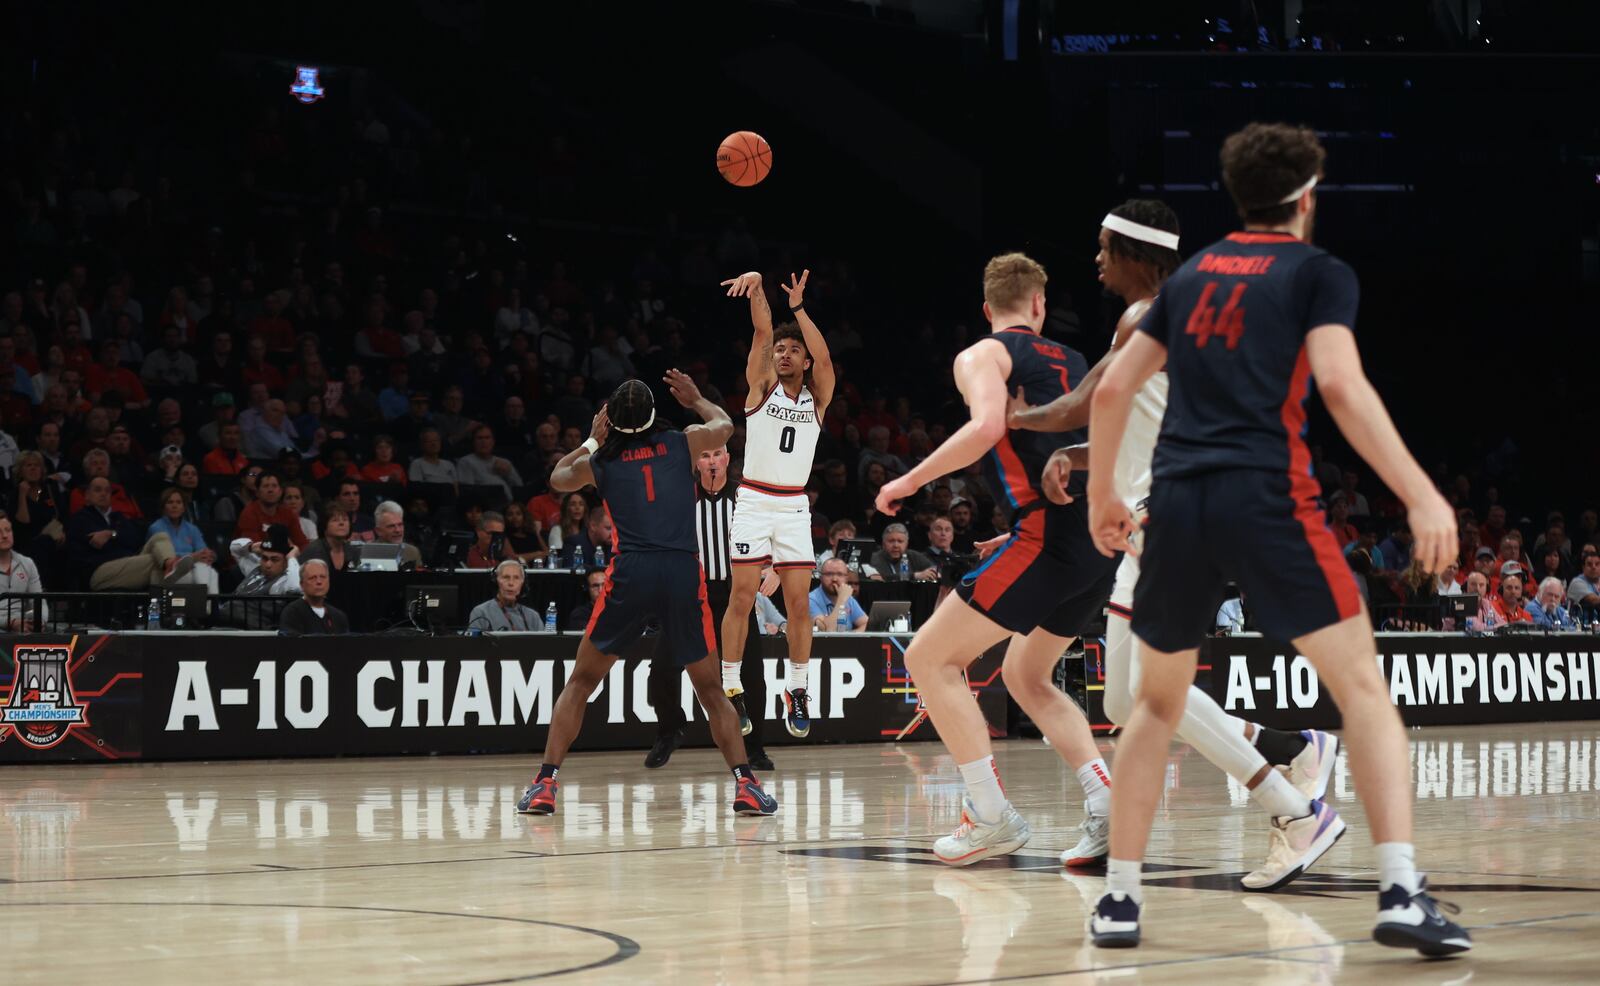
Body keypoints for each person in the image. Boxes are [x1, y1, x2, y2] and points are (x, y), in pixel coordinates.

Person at [1082, 123, 1468, 954]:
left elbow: (1112, 390)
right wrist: (1420, 492)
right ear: (1308, 195)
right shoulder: (1316, 271)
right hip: (1267, 496)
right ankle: (1400, 890)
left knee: (1149, 706)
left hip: (1177, 504)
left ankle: (1120, 902)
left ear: (1238, 195)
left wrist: (1101, 497)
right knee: (1363, 689)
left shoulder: (1192, 278)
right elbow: (1338, 381)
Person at [1009, 200, 1339, 877]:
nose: (1096, 257)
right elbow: (1142, 421)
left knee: (1142, 697)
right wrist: (1076, 456)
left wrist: (1014, 419)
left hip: (1165, 518)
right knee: (1126, 699)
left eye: (1105, 246)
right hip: (1186, 510)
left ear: (1134, 255)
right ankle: (1289, 751)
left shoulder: (1143, 316)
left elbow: (1087, 402)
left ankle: (1295, 811)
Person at [872, 252, 1118, 872]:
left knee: (927, 657)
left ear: (987, 310)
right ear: (1039, 304)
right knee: (1028, 677)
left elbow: (986, 428)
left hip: (1047, 539)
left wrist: (910, 479)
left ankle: (989, 816)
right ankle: (1106, 804)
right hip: (1092, 541)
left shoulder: (983, 353)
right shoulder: (1079, 361)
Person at [516, 372, 777, 819]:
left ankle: (544, 783)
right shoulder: (683, 443)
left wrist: (591, 442)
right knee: (711, 690)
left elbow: (557, 478)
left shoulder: (603, 462)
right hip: (679, 570)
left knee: (580, 683)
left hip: (632, 572)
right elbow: (725, 426)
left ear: (611, 422)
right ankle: (746, 785)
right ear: (656, 415)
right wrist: (696, 398)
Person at [719, 269, 835, 739]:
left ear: (804, 362)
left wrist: (800, 309)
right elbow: (763, 330)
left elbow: (825, 356)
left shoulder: (818, 399)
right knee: (743, 598)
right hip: (753, 498)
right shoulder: (761, 387)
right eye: (781, 351)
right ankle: (732, 689)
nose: (785, 354)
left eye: (793, 351)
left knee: (797, 607)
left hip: (792, 507)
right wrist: (759, 286)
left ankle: (798, 690)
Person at [644, 442, 773, 771]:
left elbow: (773, 535)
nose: (712, 461)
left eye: (718, 454)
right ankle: (670, 729)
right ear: (696, 463)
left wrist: (775, 568)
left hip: (735, 598)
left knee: (752, 674)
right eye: (705, 455)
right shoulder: (679, 498)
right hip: (689, 598)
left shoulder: (746, 498)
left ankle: (754, 748)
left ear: (728, 460)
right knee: (660, 670)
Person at [68, 477, 193, 590]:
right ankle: (169, 576)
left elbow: (136, 539)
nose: (103, 494)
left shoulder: (117, 517)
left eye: (107, 491)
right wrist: (119, 538)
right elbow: (103, 546)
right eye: (98, 490)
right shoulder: (81, 518)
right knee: (155, 561)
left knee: (160, 536)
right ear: (87, 496)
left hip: (128, 563)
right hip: (98, 571)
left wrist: (111, 534)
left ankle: (169, 563)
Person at [148, 487, 218, 593]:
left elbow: (203, 551)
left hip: (192, 568)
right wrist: (192, 556)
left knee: (208, 570)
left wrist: (207, 555)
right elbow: (166, 556)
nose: (174, 506)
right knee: (209, 574)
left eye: (178, 502)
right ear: (163, 507)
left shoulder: (192, 528)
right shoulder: (156, 527)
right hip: (167, 571)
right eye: (170, 502)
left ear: (184, 507)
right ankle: (210, 606)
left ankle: (208, 605)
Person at [235, 471, 310, 548]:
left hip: (282, 556)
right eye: (265, 486)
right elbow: (254, 547)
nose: (270, 490)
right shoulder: (249, 513)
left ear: (280, 492)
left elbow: (301, 543)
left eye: (274, 486)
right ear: (257, 492)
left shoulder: (288, 513)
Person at [0, 514, 48, 631]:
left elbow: (39, 601)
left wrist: (39, 621)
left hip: (23, 625)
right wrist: (10, 622)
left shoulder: (27, 563)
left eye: (8, 530)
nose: (5, 535)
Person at [278, 559, 350, 635]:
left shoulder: (339, 616)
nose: (319, 582)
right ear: (302, 584)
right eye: (312, 578)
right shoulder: (292, 613)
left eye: (323, 577)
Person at [468, 559, 542, 631]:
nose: (511, 583)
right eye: (506, 577)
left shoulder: (533, 616)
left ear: (522, 583)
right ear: (496, 581)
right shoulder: (481, 613)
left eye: (516, 578)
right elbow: (473, 643)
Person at [809, 559, 868, 631]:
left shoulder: (848, 599)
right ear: (821, 578)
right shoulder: (811, 600)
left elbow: (867, 624)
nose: (834, 579)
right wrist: (841, 601)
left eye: (840, 574)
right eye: (829, 574)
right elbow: (827, 631)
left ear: (846, 579)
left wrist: (850, 637)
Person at [870, 523, 937, 581]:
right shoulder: (874, 558)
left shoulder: (913, 556)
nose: (896, 545)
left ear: (906, 544)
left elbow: (933, 569)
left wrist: (934, 573)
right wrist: (914, 576)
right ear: (883, 543)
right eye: (891, 541)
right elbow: (883, 578)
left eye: (900, 541)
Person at [369, 500, 423, 567]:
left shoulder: (413, 552)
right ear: (378, 531)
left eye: (400, 525)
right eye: (391, 526)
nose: (398, 530)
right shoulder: (368, 553)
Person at [301, 507, 355, 573]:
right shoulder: (313, 550)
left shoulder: (352, 550)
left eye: (345, 519)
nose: (341, 523)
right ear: (324, 525)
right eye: (335, 520)